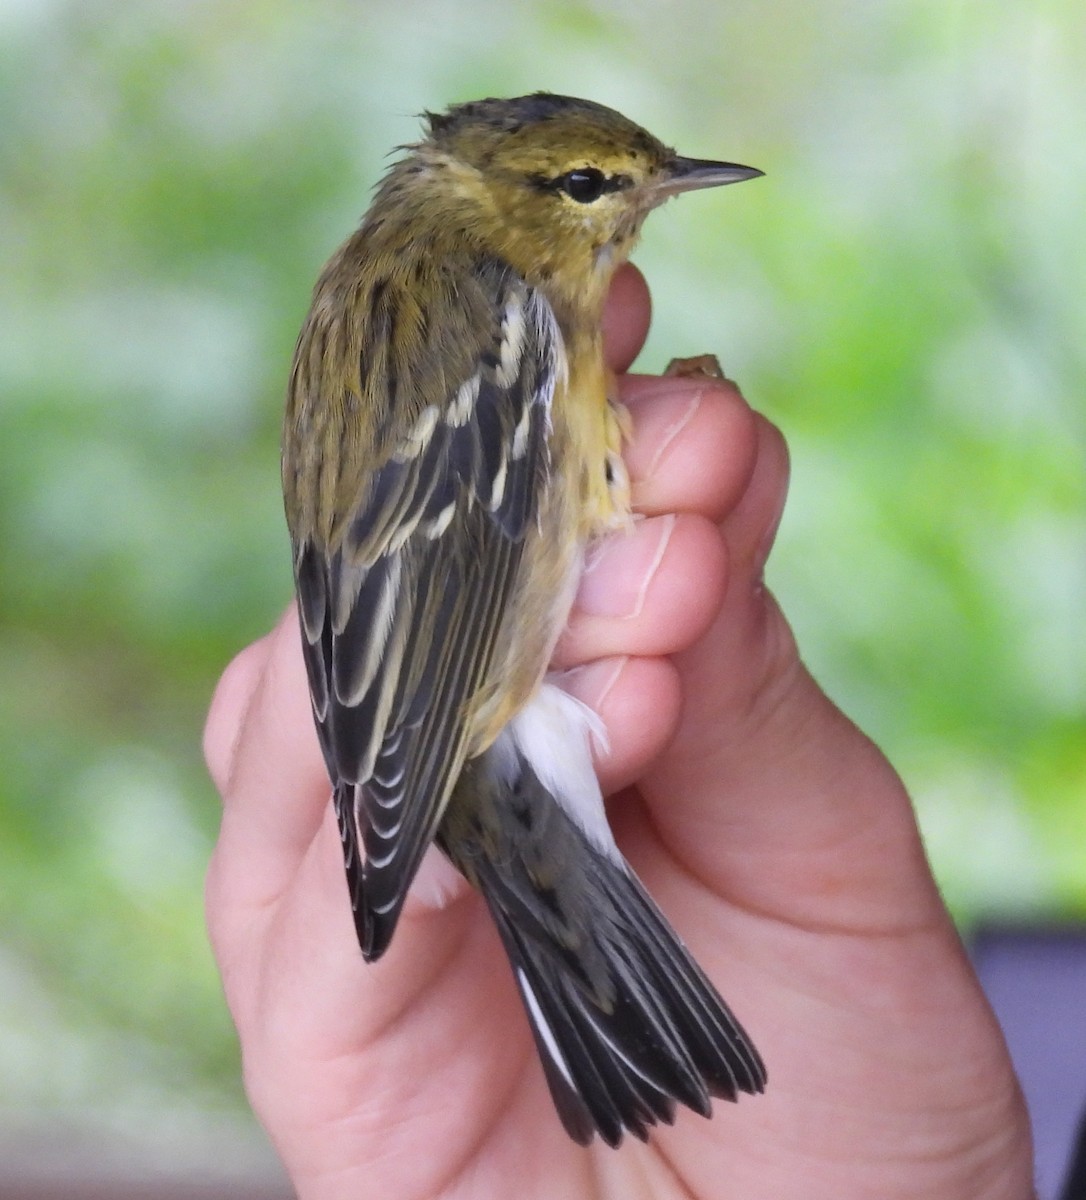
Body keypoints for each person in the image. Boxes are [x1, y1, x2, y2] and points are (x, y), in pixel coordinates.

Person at [203, 265, 1035, 1199]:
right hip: (473, 691)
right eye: (591, 188)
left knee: (667, 559)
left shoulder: (435, 313)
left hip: (423, 702)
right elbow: (470, 552)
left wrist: (387, 774)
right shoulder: (497, 313)